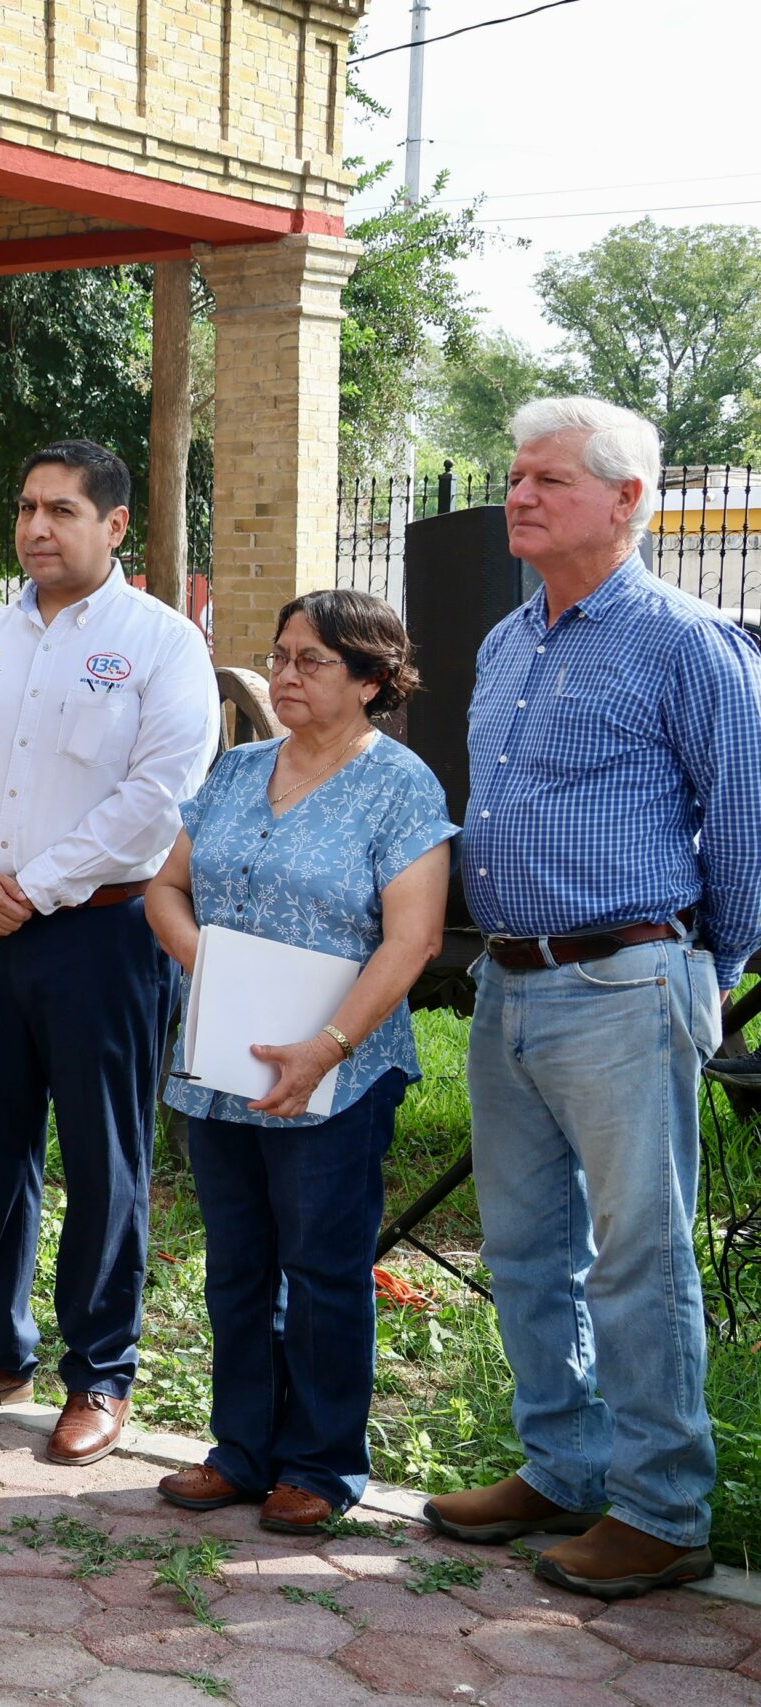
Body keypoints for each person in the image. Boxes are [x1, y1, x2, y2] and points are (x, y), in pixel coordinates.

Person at [423, 397, 761, 1599]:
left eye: (549, 480)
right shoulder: (511, 641)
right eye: (515, 476)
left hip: (626, 979)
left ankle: (663, 1510)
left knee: (638, 1257)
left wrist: (693, 974)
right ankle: (561, 1468)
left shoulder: (688, 641)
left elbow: (745, 833)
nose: (517, 496)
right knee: (526, 1249)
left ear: (626, 501)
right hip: (508, 982)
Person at [0, 441, 217, 1464]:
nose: (37, 527)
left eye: (62, 510)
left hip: (100, 933)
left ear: (113, 526)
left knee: (102, 1155)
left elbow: (158, 798)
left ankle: (100, 1372)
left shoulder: (162, 645)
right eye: (27, 507)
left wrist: (29, 887)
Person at [145, 591, 452, 1531]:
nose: (284, 674)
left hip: (338, 1070)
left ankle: (319, 1464)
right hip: (225, 1059)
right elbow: (166, 889)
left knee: (322, 1268)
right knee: (236, 1260)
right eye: (280, 654)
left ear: (371, 679)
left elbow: (415, 940)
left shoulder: (401, 785)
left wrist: (325, 1046)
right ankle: (240, 1449)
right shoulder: (237, 771)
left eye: (312, 660)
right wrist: (217, 968)